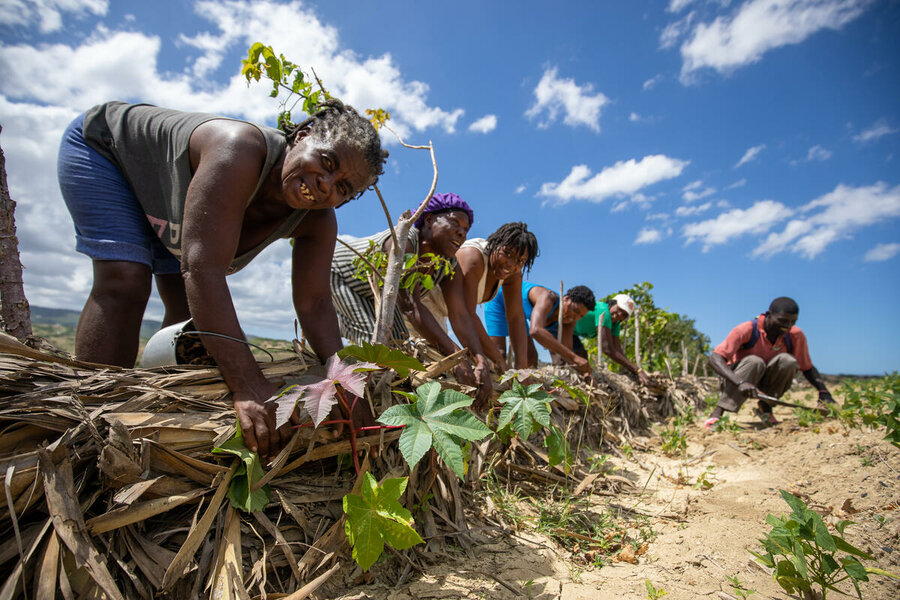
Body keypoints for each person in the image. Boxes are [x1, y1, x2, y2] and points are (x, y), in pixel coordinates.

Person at [57, 99, 387, 459]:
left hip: (171, 201)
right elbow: (203, 269)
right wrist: (247, 385)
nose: (326, 185)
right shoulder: (239, 150)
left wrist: (341, 380)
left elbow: (315, 302)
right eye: (326, 163)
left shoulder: (317, 220)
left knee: (190, 323)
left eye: (343, 189)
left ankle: (149, 421)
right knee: (125, 280)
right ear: (303, 135)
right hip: (110, 153)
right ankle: (86, 417)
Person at [330, 193, 493, 407]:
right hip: (340, 277)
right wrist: (456, 357)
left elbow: (460, 315)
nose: (461, 233)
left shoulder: (448, 264)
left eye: (466, 230)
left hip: (380, 298)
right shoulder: (404, 242)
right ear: (428, 219)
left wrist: (479, 359)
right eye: (455, 223)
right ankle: (356, 402)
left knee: (401, 348)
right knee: (379, 352)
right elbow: (410, 306)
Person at [414, 222, 539, 373]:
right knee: (423, 364)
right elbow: (466, 315)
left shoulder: (512, 273)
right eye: (507, 253)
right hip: (420, 306)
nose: (511, 264)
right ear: (495, 243)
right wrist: (498, 360)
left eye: (520, 261)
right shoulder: (473, 258)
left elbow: (516, 318)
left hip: (445, 314)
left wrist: (521, 370)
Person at [705, 296, 834, 429]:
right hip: (736, 381)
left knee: (788, 361)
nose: (787, 326)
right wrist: (740, 382)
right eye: (783, 321)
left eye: (792, 322)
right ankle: (717, 413)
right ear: (768, 315)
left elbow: (807, 367)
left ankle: (765, 408)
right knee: (755, 362)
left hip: (764, 384)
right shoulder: (746, 329)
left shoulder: (795, 335)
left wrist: (823, 391)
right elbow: (715, 359)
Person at [485, 283, 595, 378]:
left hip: (518, 313)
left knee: (531, 358)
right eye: (575, 310)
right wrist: (575, 358)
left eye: (580, 316)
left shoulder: (570, 320)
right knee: (499, 354)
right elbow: (536, 331)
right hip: (499, 301)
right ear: (566, 299)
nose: (574, 317)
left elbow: (567, 351)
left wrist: (584, 372)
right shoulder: (548, 298)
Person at [573, 294, 653, 387]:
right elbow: (607, 348)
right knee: (563, 361)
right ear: (612, 303)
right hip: (563, 325)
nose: (619, 314)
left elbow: (618, 350)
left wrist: (636, 371)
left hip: (573, 333)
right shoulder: (604, 311)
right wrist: (637, 370)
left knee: (583, 362)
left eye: (624, 314)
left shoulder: (615, 324)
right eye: (619, 309)